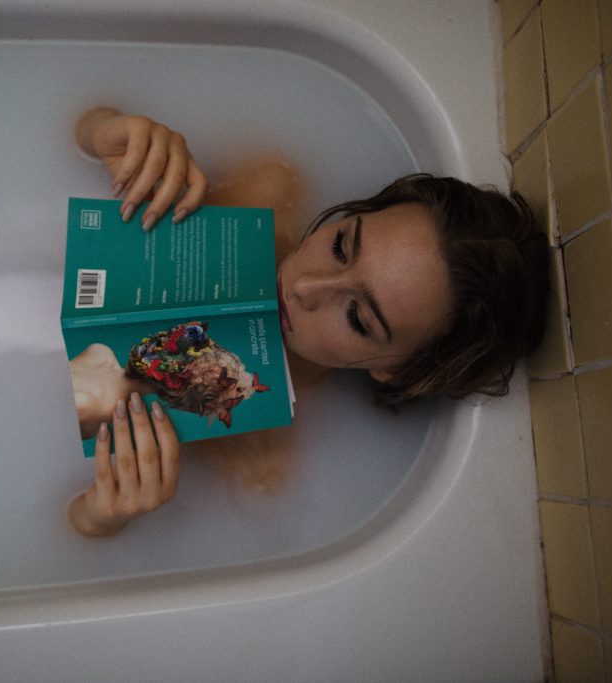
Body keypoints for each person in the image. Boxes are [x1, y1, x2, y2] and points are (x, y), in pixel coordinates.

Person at [66, 107, 550, 537]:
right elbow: (81, 130)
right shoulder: (264, 189)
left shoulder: (258, 448)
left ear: (396, 370)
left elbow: (73, 525)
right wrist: (111, 135)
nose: (305, 287)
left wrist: (104, 516)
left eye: (357, 317)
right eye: (342, 245)